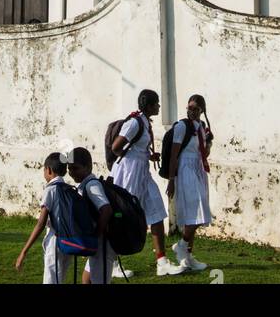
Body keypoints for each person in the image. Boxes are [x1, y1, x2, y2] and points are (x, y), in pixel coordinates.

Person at [111, 88, 183, 277]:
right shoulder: (134, 122)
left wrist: (147, 156)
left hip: (143, 174)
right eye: (157, 103)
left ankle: (162, 261)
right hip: (130, 175)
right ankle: (111, 262)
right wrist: (131, 161)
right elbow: (116, 147)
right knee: (123, 216)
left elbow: (135, 146)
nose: (159, 106)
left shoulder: (144, 122)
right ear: (149, 105)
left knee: (157, 211)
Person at [166, 94, 213, 272]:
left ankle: (186, 258)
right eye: (189, 108)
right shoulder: (181, 126)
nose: (191, 111)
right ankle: (182, 245)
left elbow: (204, 153)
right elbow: (174, 154)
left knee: (196, 213)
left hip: (198, 168)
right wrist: (171, 179)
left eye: (195, 109)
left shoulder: (201, 127)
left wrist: (208, 144)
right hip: (185, 169)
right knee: (197, 211)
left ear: (202, 110)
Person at [15, 152, 72, 284]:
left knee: (51, 281)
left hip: (55, 241)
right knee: (59, 279)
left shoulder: (50, 190)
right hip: (69, 241)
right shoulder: (69, 189)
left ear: (49, 170)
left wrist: (23, 252)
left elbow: (41, 223)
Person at [66, 148, 114, 285]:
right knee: (86, 280)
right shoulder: (85, 185)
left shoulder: (92, 186)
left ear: (88, 167)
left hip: (103, 244)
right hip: (97, 244)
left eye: (75, 168)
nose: (71, 172)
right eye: (69, 168)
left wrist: (94, 237)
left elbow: (106, 210)